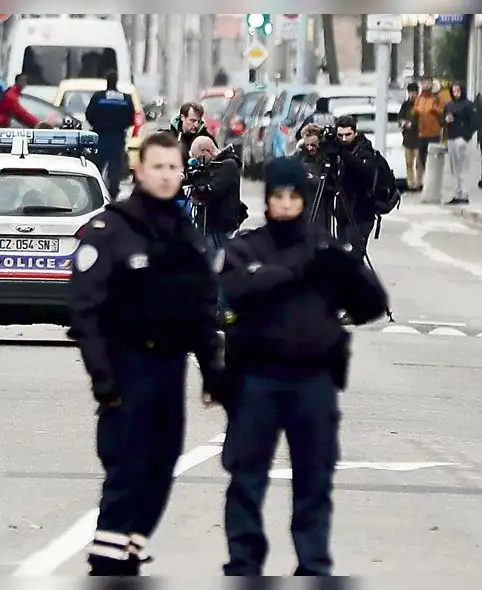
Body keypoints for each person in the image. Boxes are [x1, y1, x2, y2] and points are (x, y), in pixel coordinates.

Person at [213, 156, 389, 577]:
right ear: (268, 200)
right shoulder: (247, 247)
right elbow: (234, 289)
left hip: (313, 380)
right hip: (257, 378)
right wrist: (290, 271)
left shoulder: (325, 250)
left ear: (304, 198)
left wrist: (347, 272)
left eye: (294, 196)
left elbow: (370, 306)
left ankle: (313, 563)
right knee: (246, 478)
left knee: (314, 479)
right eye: (278, 196)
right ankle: (244, 562)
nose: (287, 204)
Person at [68, 132, 222, 577]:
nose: (167, 175)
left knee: (160, 467)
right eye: (158, 167)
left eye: (174, 167)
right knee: (127, 469)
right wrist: (103, 378)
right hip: (127, 366)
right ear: (139, 170)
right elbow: (84, 307)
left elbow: (201, 307)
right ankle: (109, 561)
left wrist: (213, 371)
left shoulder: (184, 231)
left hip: (170, 368)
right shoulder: (112, 228)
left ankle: (129, 550)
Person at [84, 70, 136, 202]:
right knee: (115, 167)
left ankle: (93, 191)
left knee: (97, 165)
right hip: (117, 137)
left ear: (107, 81)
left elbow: (89, 114)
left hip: (100, 135)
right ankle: (113, 192)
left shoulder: (98, 97)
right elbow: (131, 118)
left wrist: (97, 124)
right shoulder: (125, 98)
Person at [331, 116, 377, 263]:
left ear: (355, 132)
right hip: (343, 211)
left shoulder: (364, 149)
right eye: (340, 135)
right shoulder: (335, 149)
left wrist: (343, 154)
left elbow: (364, 172)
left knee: (355, 254)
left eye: (347, 135)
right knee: (342, 252)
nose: (344, 139)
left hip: (362, 211)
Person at [187, 136, 243, 254]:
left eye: (199, 159)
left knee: (217, 261)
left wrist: (202, 187)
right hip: (208, 224)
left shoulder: (228, 165)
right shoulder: (213, 166)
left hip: (219, 226)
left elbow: (213, 191)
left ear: (207, 151)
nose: (200, 163)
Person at [293, 124, 338, 232]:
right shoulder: (300, 156)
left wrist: (314, 179)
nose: (310, 148)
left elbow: (332, 184)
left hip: (322, 205)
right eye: (307, 145)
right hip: (303, 203)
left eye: (313, 145)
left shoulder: (326, 157)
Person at [442, 81, 476, 205]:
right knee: (454, 168)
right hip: (451, 137)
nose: (456, 93)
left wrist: (466, 137)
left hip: (462, 139)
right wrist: (446, 120)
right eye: (454, 90)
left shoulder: (468, 105)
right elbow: (442, 120)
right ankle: (457, 193)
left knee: (463, 167)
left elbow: (474, 123)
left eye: (458, 90)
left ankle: (464, 193)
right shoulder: (449, 105)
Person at [412, 79, 446, 185]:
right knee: (422, 159)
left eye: (427, 82)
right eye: (423, 83)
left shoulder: (437, 97)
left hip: (434, 133)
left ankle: (432, 181)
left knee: (433, 158)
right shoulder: (419, 97)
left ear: (431, 84)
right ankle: (424, 180)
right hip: (422, 133)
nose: (425, 85)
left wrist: (434, 108)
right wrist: (416, 111)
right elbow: (414, 110)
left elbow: (443, 111)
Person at [398, 82, 422, 191]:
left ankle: (418, 183)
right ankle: (410, 183)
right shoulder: (405, 105)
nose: (412, 95)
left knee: (418, 163)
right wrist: (402, 123)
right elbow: (400, 118)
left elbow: (423, 120)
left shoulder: (420, 104)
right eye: (410, 93)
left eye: (414, 93)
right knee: (408, 163)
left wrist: (412, 124)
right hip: (407, 139)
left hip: (419, 138)